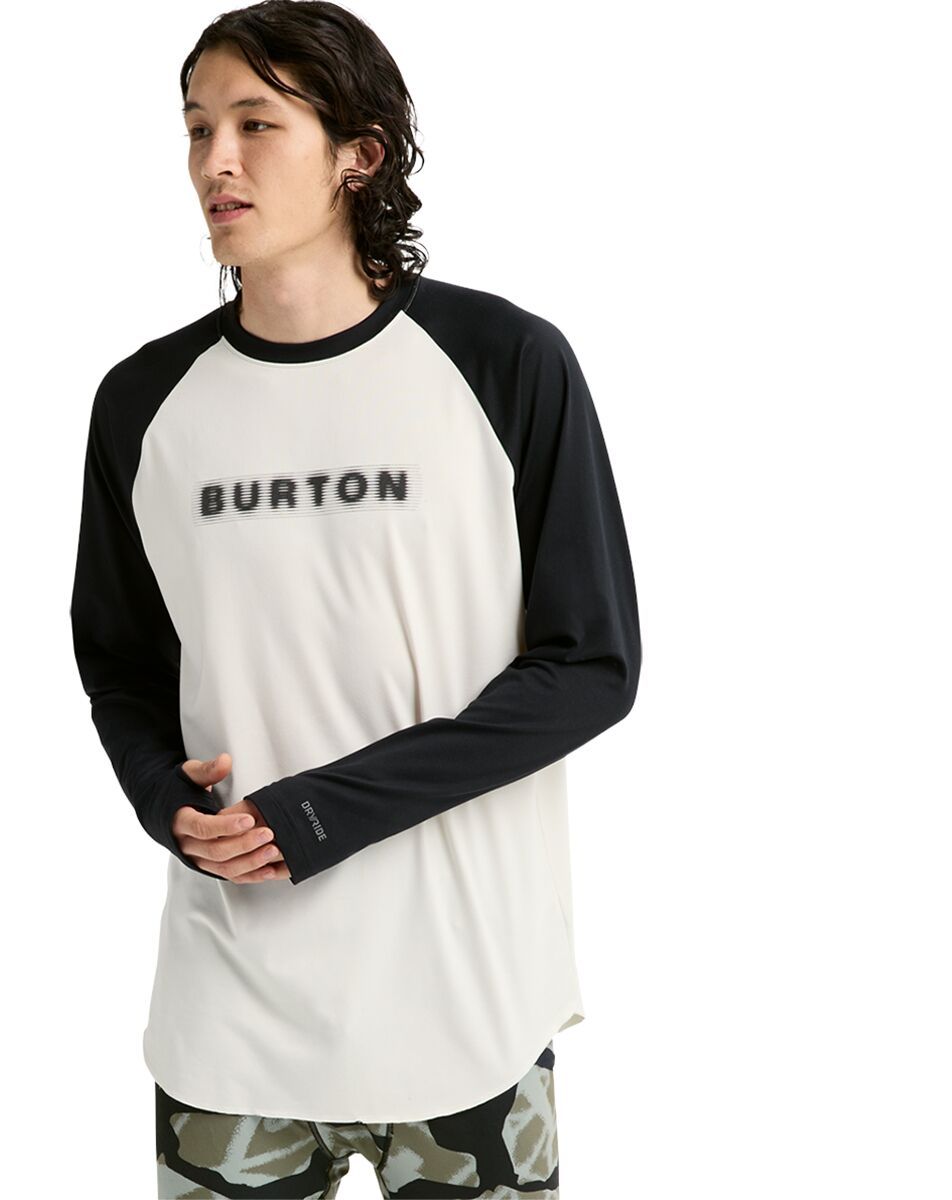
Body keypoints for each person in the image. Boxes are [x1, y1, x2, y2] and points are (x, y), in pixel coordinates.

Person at [69, 2, 641, 1195]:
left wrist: (324, 813)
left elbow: (590, 665)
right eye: (197, 128)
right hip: (230, 1018)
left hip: (466, 1008)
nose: (216, 162)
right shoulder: (143, 403)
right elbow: (118, 660)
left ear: (358, 155)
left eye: (256, 124)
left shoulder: (504, 362)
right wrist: (163, 799)